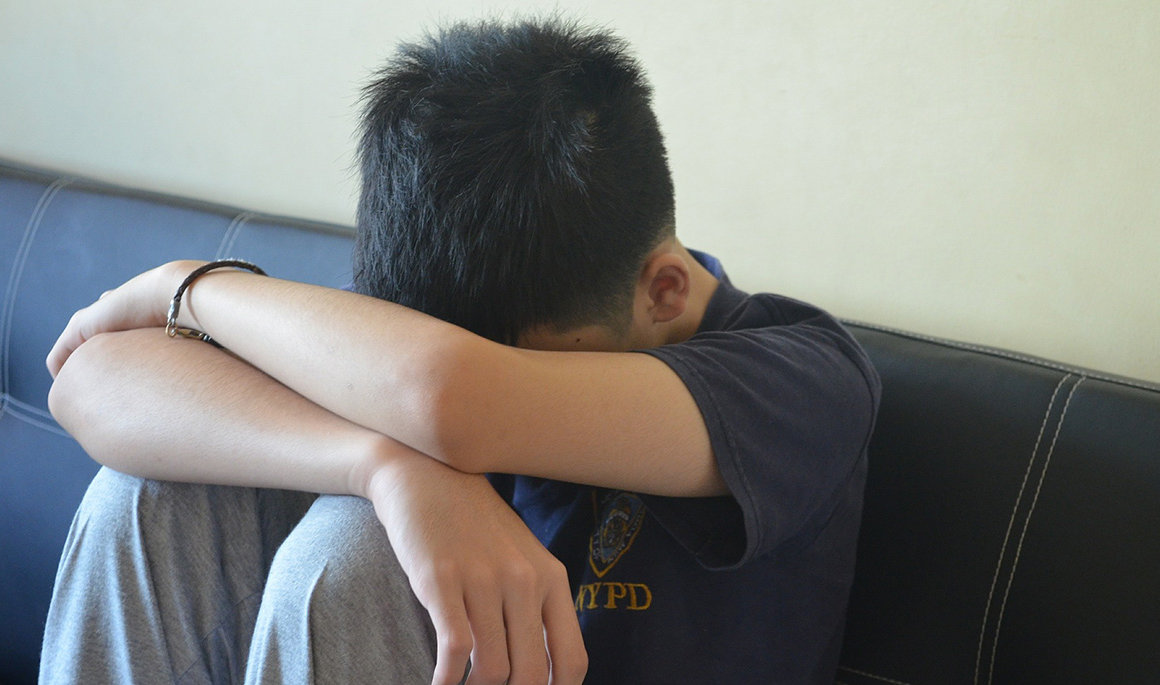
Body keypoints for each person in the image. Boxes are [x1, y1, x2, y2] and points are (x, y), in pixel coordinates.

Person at [41, 17, 880, 685]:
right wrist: (383, 465)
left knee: (351, 556)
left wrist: (189, 283)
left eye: (527, 366)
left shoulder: (803, 380)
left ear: (663, 291)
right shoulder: (454, 289)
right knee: (149, 494)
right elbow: (90, 379)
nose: (416, 369)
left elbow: (448, 394)